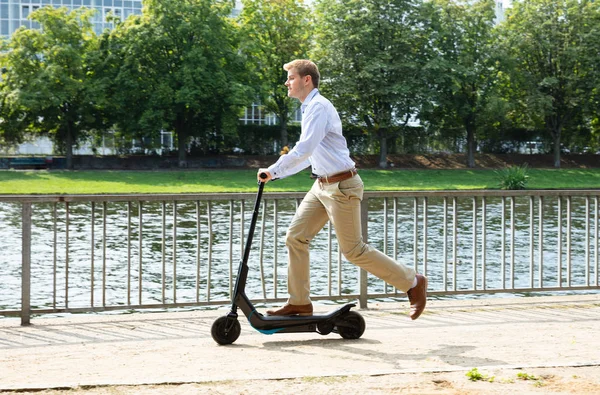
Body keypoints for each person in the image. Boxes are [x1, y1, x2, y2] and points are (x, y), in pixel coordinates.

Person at [257, 59, 428, 320]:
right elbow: (309, 155)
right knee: (295, 237)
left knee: (354, 251)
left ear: (306, 80)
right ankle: (299, 303)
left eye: (290, 78)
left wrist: (274, 170)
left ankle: (413, 282)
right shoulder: (308, 108)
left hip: (342, 185)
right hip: (321, 185)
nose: (286, 82)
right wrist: (276, 173)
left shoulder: (319, 108)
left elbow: (304, 150)